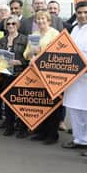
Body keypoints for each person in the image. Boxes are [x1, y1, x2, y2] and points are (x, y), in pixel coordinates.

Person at [62, 1, 87, 157]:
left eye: (86, 12)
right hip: (73, 77)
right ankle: (80, 139)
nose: (83, 15)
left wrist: (85, 68)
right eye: (79, 12)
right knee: (74, 110)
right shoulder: (74, 29)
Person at [23, 10, 61, 145]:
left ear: (48, 20)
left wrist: (42, 52)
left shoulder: (55, 34)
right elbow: (25, 54)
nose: (40, 21)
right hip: (36, 73)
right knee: (40, 102)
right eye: (38, 19)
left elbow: (59, 52)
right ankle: (41, 131)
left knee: (52, 103)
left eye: (43, 19)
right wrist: (31, 53)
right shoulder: (33, 35)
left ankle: (52, 134)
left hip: (50, 74)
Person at [0, 15, 29, 137]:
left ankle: (23, 128)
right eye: (8, 24)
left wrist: (20, 61)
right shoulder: (2, 40)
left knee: (21, 102)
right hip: (6, 74)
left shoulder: (25, 39)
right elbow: (0, 56)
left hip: (20, 74)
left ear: (18, 25)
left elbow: (29, 58)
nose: (10, 26)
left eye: (13, 24)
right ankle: (9, 126)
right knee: (8, 101)